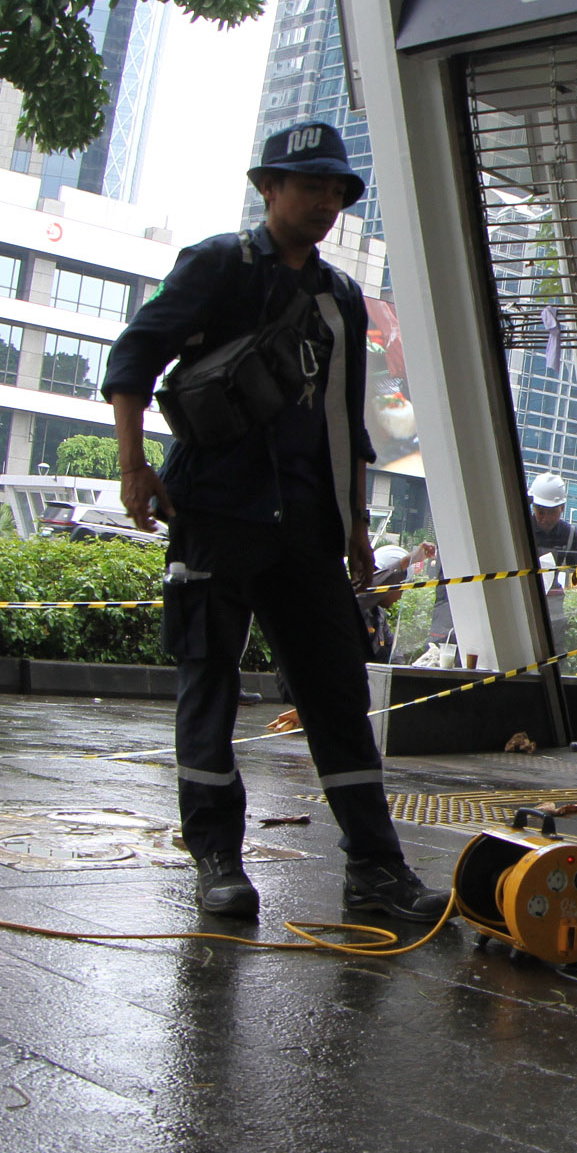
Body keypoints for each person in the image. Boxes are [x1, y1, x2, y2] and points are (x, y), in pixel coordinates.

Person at [100, 119, 447, 925]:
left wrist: (356, 529)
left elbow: (344, 422)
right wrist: (131, 468)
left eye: (337, 190)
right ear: (269, 188)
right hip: (216, 512)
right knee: (209, 682)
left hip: (308, 530)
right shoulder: (218, 265)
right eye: (311, 185)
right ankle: (217, 859)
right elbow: (134, 358)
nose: (326, 202)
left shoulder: (341, 300)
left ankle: (376, 869)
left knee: (335, 691)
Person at [525, 473, 577, 644]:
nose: (545, 518)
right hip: (522, 597)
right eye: (540, 511)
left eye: (551, 512)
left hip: (553, 606)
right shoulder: (521, 528)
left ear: (562, 507)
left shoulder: (569, 535)